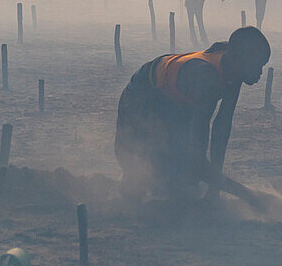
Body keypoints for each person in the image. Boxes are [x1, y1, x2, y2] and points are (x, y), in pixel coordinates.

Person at [115, 26, 271, 199]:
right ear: (239, 59)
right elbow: (198, 161)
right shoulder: (207, 80)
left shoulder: (235, 70)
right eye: (256, 66)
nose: (260, 73)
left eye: (262, 66)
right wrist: (249, 196)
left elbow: (221, 129)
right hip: (144, 93)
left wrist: (214, 191)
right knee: (148, 177)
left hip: (177, 100)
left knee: (186, 180)